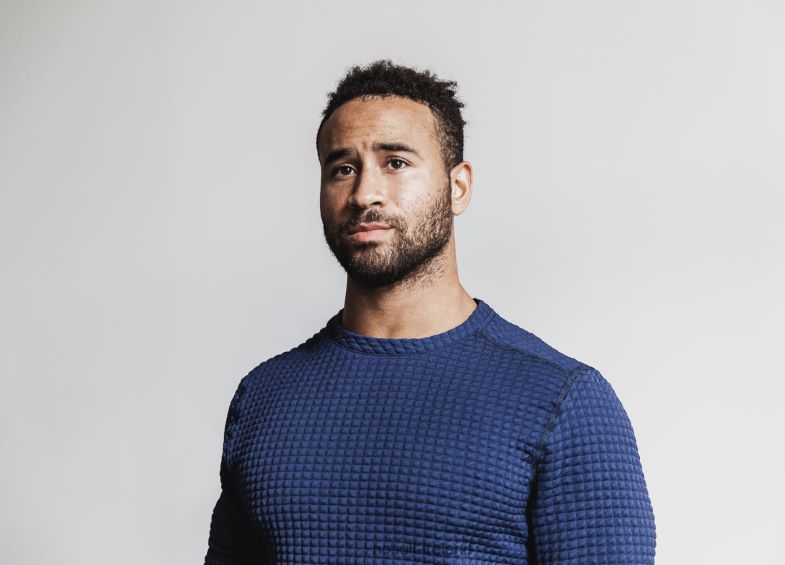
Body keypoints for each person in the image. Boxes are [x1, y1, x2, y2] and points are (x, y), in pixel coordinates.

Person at [203, 59, 656, 564]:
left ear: (457, 187)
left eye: (396, 162)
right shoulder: (264, 396)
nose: (364, 193)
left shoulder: (563, 401)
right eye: (343, 168)